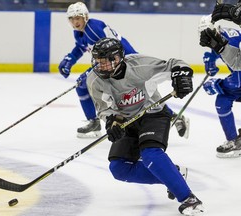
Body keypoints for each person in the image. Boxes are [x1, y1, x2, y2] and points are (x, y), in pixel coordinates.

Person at [86, 37, 204, 215]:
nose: (101, 66)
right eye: (98, 62)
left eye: (105, 62)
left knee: (150, 154)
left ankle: (189, 200)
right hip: (127, 121)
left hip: (153, 114)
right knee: (119, 169)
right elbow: (103, 109)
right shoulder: (94, 80)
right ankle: (174, 174)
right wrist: (112, 122)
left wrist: (182, 76)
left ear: (117, 58)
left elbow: (174, 64)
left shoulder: (140, 65)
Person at [58, 1, 190, 139]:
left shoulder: (93, 29)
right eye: (72, 19)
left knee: (145, 98)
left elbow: (108, 53)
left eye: (77, 18)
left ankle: (174, 117)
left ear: (85, 17)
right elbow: (81, 47)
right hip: (113, 64)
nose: (75, 22)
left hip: (126, 63)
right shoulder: (80, 32)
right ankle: (94, 121)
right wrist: (70, 59)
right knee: (84, 86)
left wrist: (90, 71)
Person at [199, 15, 241, 158]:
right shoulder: (219, 36)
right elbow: (219, 51)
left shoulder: (233, 41)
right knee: (222, 101)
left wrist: (218, 84)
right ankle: (233, 140)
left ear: (215, 29)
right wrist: (211, 60)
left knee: (224, 93)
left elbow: (238, 81)